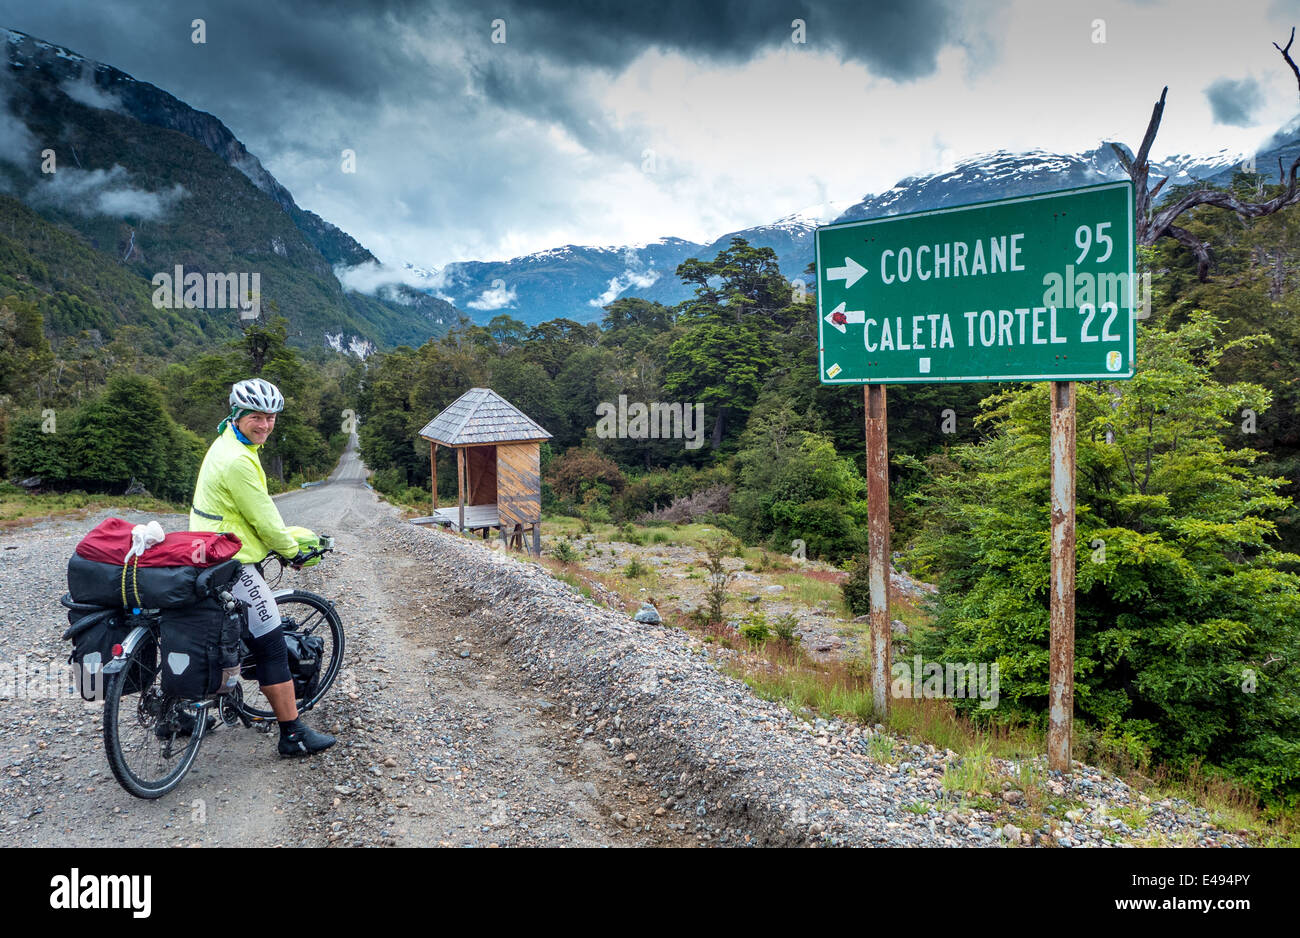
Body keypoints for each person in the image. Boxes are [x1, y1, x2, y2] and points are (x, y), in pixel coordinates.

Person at [189, 378, 336, 757]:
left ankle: (188, 713)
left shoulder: (226, 441)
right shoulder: (239, 460)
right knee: (270, 642)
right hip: (230, 561)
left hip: (203, 551)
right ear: (238, 415)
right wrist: (291, 551)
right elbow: (266, 519)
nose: (265, 425)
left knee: (218, 634)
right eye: (256, 416)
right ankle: (292, 734)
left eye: (271, 417)